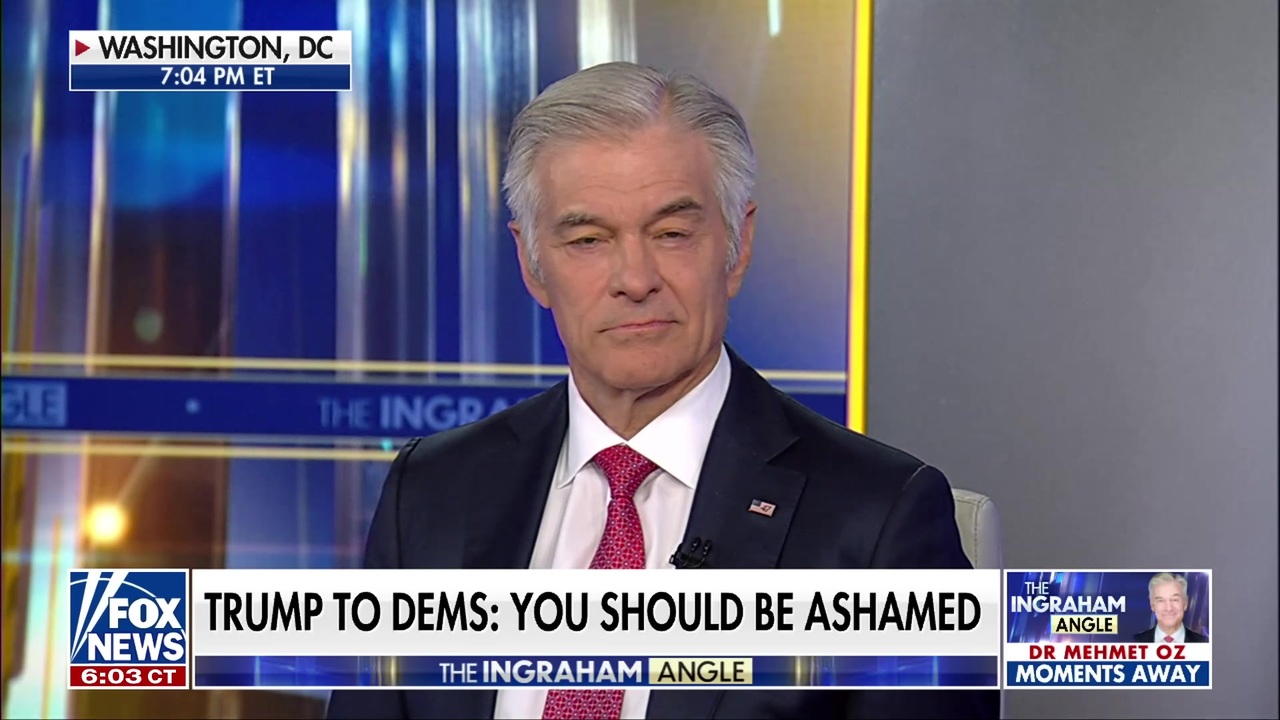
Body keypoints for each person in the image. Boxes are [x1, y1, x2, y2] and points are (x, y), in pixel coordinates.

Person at [327, 62, 998, 720]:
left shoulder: (879, 522)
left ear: (737, 246)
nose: (635, 278)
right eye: (588, 239)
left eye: (672, 233)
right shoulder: (430, 492)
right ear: (532, 265)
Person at [1132, 573, 1209, 643]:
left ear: (1185, 603)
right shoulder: (1134, 642)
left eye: (1174, 600)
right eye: (1161, 600)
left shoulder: (1205, 643)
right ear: (1152, 605)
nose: (1169, 608)